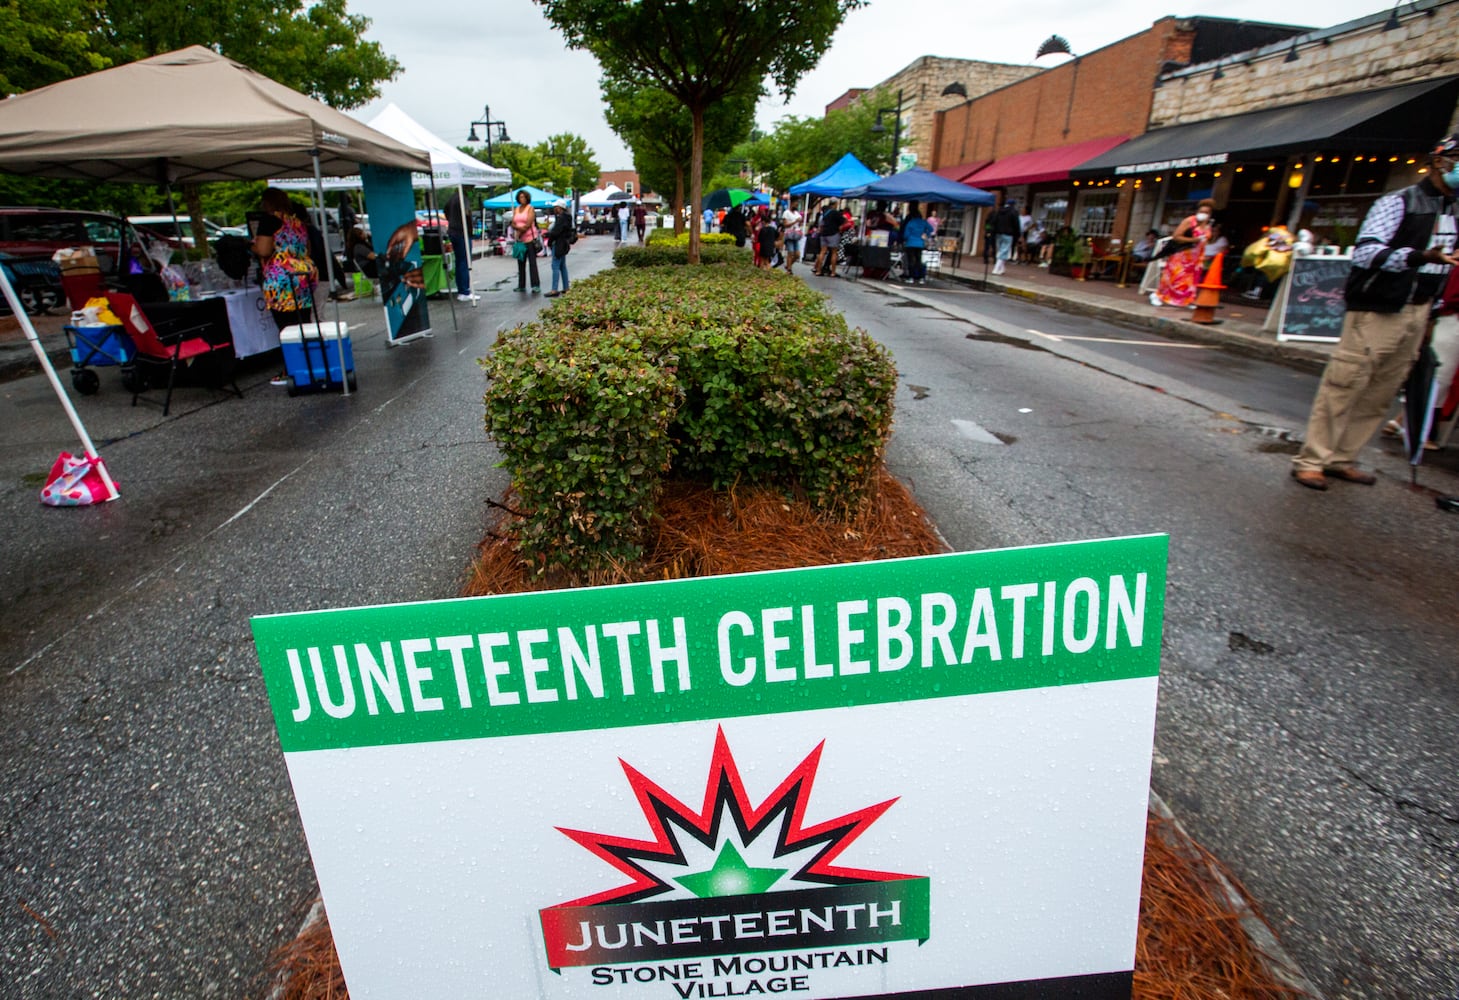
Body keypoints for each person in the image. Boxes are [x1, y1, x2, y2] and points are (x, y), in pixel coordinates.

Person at [1290, 135, 1459, 490]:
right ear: (1438, 162)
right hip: (1379, 308)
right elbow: (1366, 253)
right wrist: (1418, 257)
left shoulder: (1454, 210)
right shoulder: (1399, 202)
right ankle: (1313, 459)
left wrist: (1433, 310)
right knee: (1346, 383)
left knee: (1382, 390)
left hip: (1419, 309)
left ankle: (1343, 457)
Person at [252, 189, 318, 385]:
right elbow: (307, 249)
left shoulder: (269, 221)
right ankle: (310, 364)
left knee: (286, 327)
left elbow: (263, 250)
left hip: (281, 279)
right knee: (303, 322)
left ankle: (292, 369)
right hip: (302, 275)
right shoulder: (297, 222)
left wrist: (251, 246)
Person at [1151, 199, 1213, 308]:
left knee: (1191, 280)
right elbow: (1176, 236)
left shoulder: (1208, 225)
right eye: (1202, 211)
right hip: (1182, 253)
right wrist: (1194, 240)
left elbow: (1207, 239)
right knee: (1175, 277)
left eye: (1206, 212)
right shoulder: (1190, 221)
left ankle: (1187, 299)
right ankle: (1158, 295)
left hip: (1196, 256)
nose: (1204, 214)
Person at [445, 191, 476, 302]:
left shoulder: (453, 197)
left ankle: (462, 289)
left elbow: (446, 210)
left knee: (460, 261)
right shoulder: (463, 198)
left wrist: (452, 221)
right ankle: (465, 290)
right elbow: (467, 213)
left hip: (453, 231)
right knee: (465, 261)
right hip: (462, 232)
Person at [510, 189, 541, 293]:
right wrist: (518, 231)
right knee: (521, 263)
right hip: (520, 240)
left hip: (530, 239)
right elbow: (513, 222)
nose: (522, 199)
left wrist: (519, 231)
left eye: (523, 197)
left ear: (527, 198)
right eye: (520, 197)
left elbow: (528, 223)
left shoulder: (530, 208)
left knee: (532, 263)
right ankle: (521, 285)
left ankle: (535, 285)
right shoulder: (517, 209)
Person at [544, 202, 574, 297]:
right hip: (564, 243)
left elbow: (556, 232)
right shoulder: (568, 218)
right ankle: (566, 287)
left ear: (559, 208)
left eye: (555, 207)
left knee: (555, 266)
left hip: (558, 244)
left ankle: (554, 289)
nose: (554, 209)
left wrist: (548, 236)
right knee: (562, 266)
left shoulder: (560, 218)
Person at [814, 199, 846, 277]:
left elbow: (821, 224)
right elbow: (843, 221)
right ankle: (833, 272)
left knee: (822, 252)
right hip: (833, 233)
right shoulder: (835, 213)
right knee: (834, 252)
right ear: (835, 204)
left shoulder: (825, 212)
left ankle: (818, 270)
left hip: (824, 234)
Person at [901, 204, 932, 285]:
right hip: (920, 243)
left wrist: (906, 239)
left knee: (911, 260)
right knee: (919, 260)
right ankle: (921, 277)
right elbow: (931, 229)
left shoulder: (910, 223)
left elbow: (906, 235)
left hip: (910, 243)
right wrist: (926, 234)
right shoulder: (923, 222)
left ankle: (911, 277)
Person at [990, 199, 1021, 275]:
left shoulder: (999, 211)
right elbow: (1016, 224)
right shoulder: (1014, 212)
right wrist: (1018, 234)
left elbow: (993, 222)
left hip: (998, 233)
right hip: (1008, 234)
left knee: (1000, 250)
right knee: (1004, 251)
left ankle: (1002, 268)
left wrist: (993, 231)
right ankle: (996, 268)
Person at [780, 206, 803, 274]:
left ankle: (788, 265)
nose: (796, 204)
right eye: (796, 203)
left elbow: (799, 224)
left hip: (796, 234)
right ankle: (789, 270)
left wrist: (799, 222)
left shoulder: (797, 213)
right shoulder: (786, 213)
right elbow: (785, 224)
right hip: (789, 234)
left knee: (797, 254)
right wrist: (795, 221)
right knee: (790, 252)